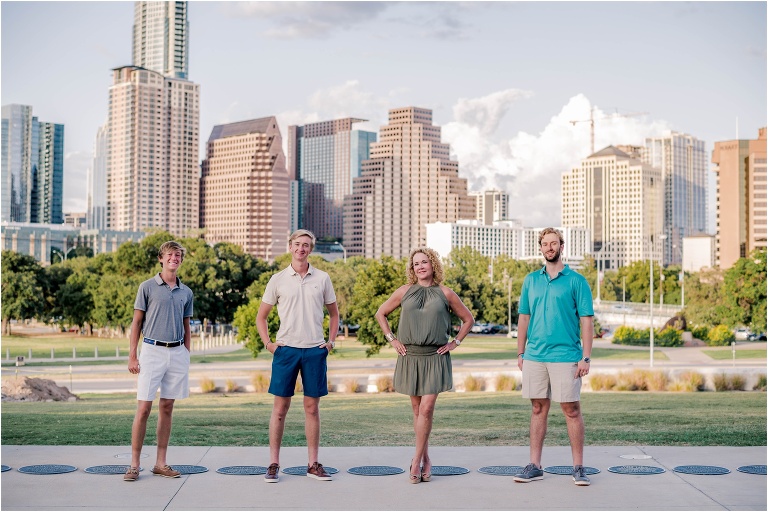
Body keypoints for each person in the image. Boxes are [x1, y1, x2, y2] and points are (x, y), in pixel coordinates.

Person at [375, 247, 474, 484]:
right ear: (413, 268)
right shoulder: (404, 291)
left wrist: (455, 342)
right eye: (416, 263)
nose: (420, 266)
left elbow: (468, 319)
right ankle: (426, 458)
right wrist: (393, 339)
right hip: (410, 356)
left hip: (435, 356)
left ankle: (415, 460)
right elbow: (381, 313)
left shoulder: (446, 293)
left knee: (426, 410)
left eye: (424, 262)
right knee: (418, 412)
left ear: (433, 265)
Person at [257, 229, 339, 483]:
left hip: (315, 351)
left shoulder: (323, 278)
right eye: (297, 244)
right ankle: (273, 464)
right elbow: (261, 317)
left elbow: (334, 314)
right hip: (286, 351)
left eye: (306, 245)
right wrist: (269, 344)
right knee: (280, 409)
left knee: (312, 408)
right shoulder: (278, 279)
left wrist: (330, 342)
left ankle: (313, 465)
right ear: (290, 246)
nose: (301, 248)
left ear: (310, 249)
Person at [514, 227, 594, 486]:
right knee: (538, 408)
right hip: (535, 356)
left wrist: (586, 357)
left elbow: (587, 321)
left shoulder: (576, 281)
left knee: (571, 410)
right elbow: (524, 317)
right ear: (540, 248)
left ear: (562, 246)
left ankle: (579, 467)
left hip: (566, 355)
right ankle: (535, 465)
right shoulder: (530, 280)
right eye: (545, 244)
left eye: (554, 243)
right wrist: (520, 352)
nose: (550, 247)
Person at [124, 241, 194, 482]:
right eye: (169, 255)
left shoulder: (186, 292)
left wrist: (186, 352)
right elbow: (136, 323)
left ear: (181, 260)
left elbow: (187, 324)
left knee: (167, 407)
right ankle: (134, 465)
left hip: (177, 353)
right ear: (161, 259)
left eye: (178, 255)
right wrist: (133, 355)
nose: (174, 258)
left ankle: (160, 464)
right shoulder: (147, 287)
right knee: (144, 408)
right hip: (152, 350)